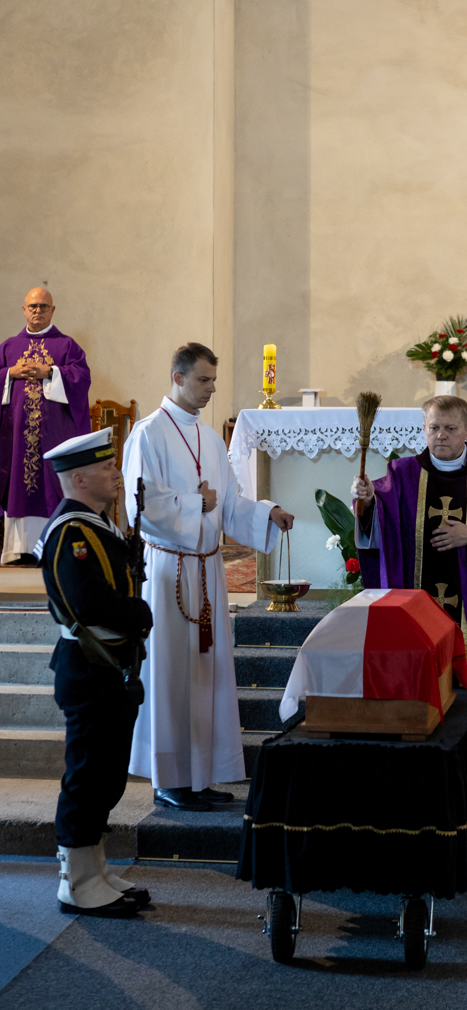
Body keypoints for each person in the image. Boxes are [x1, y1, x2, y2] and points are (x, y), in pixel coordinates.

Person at [121, 342, 294, 811]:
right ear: (177, 377)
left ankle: (201, 775)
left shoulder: (210, 438)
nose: (211, 388)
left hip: (208, 571)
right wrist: (197, 503)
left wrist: (267, 512)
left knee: (206, 674)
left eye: (214, 380)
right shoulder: (148, 434)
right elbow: (140, 507)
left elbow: (230, 503)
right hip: (169, 571)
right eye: (203, 379)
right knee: (171, 675)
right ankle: (170, 779)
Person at [352, 395, 467, 796]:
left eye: (450, 429)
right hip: (414, 606)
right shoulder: (401, 473)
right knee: (416, 679)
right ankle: (415, 784)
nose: (441, 436)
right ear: (424, 429)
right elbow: (380, 522)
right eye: (433, 428)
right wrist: (366, 503)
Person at [34, 428, 152, 917]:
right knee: (87, 775)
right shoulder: (72, 533)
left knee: (105, 774)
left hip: (109, 667)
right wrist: (139, 614)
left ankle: (95, 869)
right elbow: (88, 602)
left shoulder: (96, 525)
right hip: (89, 668)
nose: (116, 475)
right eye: (106, 468)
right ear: (78, 478)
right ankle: (77, 882)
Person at [0, 288, 91, 564]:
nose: (37, 311)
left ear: (53, 310)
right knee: (19, 485)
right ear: (24, 310)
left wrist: (50, 372)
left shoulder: (67, 346)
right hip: (16, 438)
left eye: (43, 306)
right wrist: (10, 373)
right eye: (33, 306)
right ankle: (19, 549)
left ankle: (53, 546)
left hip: (54, 436)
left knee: (52, 485)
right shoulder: (8, 347)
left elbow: (81, 379)